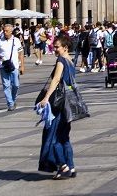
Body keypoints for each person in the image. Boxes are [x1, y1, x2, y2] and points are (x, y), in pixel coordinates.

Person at [32, 34, 78, 180]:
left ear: (65, 48)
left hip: (58, 104)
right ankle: (71, 166)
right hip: (69, 103)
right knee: (65, 137)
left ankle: (62, 166)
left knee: (53, 138)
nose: (55, 49)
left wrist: (46, 98)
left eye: (57, 47)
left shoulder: (61, 60)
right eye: (54, 46)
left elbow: (56, 80)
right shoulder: (71, 61)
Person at [0, 23, 24, 111]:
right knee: (6, 85)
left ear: (11, 31)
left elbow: (21, 53)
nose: (5, 32)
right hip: (3, 66)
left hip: (14, 65)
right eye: (4, 31)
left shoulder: (16, 40)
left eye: (7, 31)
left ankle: (13, 99)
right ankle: (10, 103)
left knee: (16, 85)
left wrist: (22, 66)